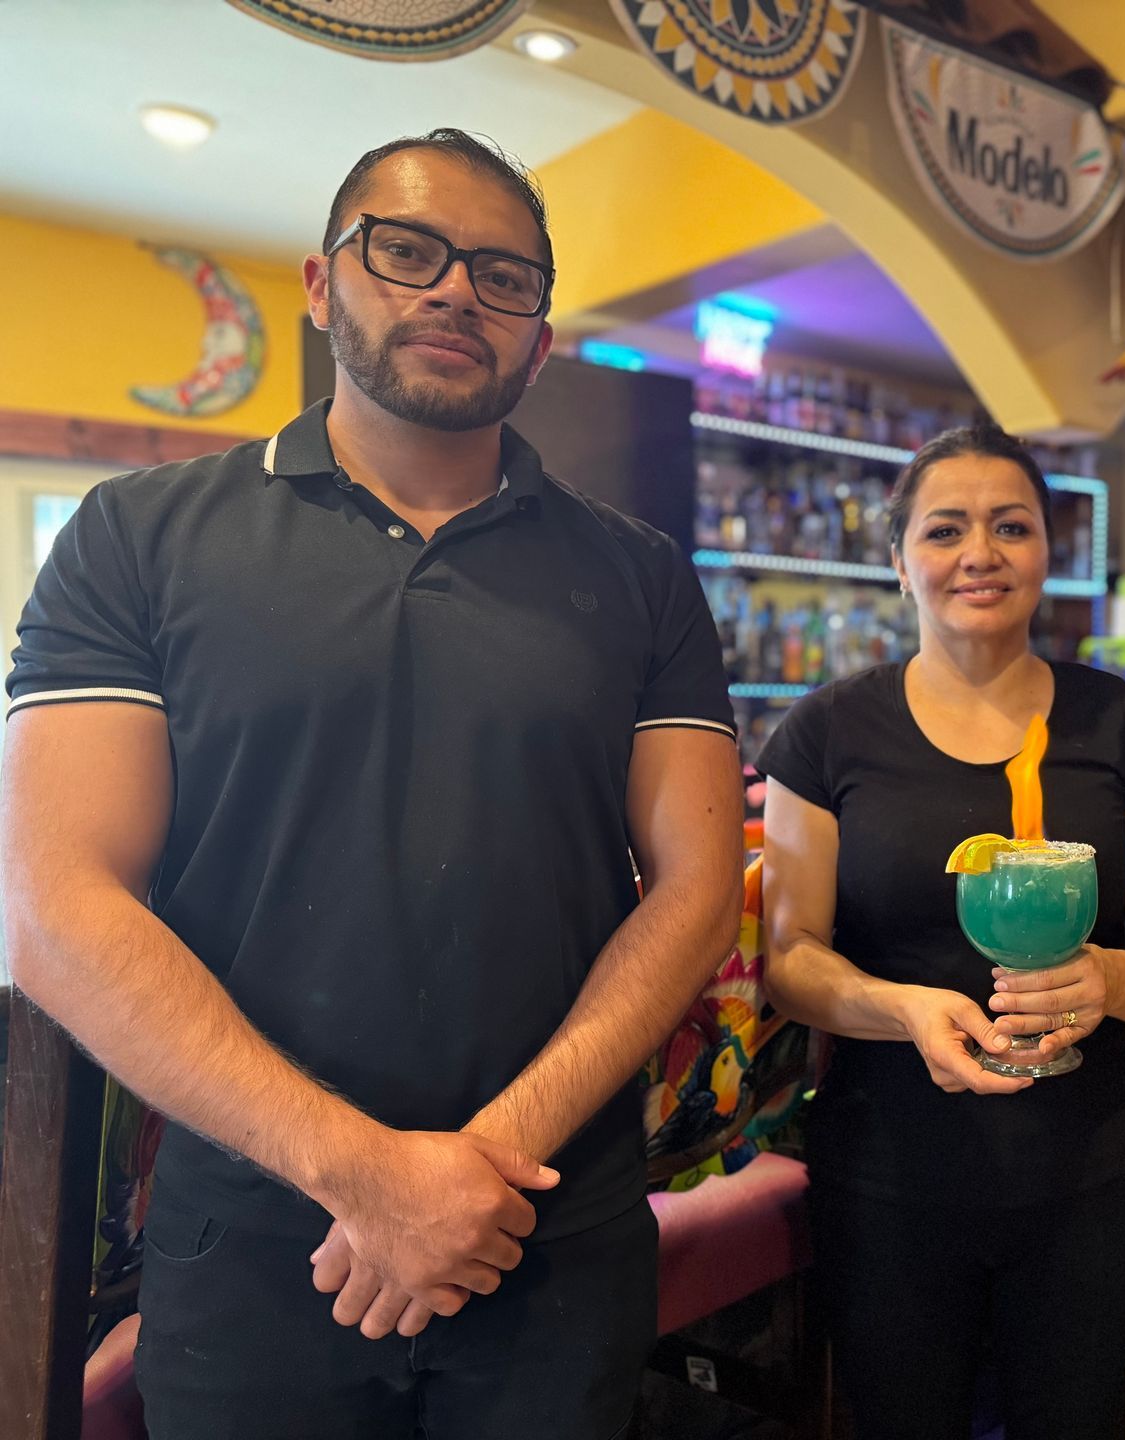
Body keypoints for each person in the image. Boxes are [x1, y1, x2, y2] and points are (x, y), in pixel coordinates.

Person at [1, 129, 744, 1438]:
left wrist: (480, 1170)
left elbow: (692, 890)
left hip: (552, 1233)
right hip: (253, 1239)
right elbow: (58, 903)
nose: (456, 289)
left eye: (505, 275)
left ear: (542, 336)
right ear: (320, 283)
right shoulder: (138, 537)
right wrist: (366, 1176)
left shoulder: (639, 577)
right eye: (407, 252)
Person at [758, 425, 1125, 1440]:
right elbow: (791, 959)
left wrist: (1109, 981)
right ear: (898, 558)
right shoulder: (824, 735)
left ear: (1049, 549)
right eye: (945, 529)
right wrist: (906, 1009)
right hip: (889, 1171)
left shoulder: (1124, 729)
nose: (980, 554)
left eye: (1012, 527)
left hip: (1085, 1166)